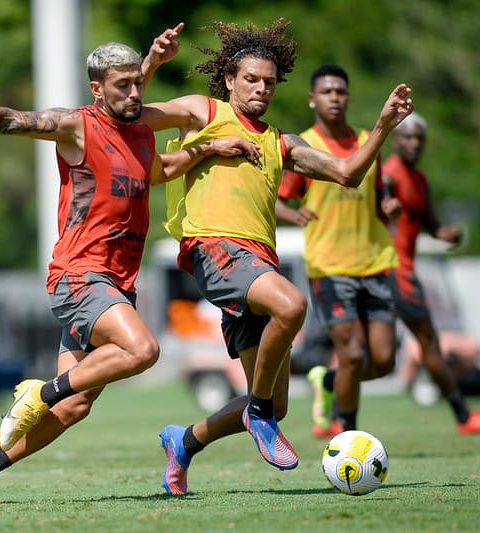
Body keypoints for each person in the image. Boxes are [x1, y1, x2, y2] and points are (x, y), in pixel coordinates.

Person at [0, 29, 261, 505]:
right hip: (80, 275)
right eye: (122, 85)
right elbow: (11, 120)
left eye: (137, 83)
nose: (134, 92)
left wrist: (208, 149)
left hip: (116, 282)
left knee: (75, 406)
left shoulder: (140, 136)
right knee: (143, 350)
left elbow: (162, 171)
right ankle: (38, 393)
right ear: (96, 89)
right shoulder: (78, 127)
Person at [139, 20, 414, 494]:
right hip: (214, 249)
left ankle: (183, 442)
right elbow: (131, 115)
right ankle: (260, 415)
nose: (262, 89)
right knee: (291, 305)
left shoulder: (279, 142)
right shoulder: (202, 112)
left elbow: (348, 173)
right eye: (251, 79)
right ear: (229, 79)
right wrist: (150, 64)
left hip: (256, 263)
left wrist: (385, 125)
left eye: (269, 82)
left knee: (273, 400)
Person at [275, 63, 404, 439]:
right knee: (352, 354)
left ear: (348, 97)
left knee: (383, 361)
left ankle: (328, 381)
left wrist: (388, 208)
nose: (334, 98)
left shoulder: (369, 141)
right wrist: (293, 212)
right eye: (326, 92)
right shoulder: (307, 147)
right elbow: (279, 200)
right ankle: (350, 436)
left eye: (340, 92)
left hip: (375, 261)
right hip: (330, 268)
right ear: (313, 99)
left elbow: (379, 197)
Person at [382, 112, 480, 434]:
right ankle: (464, 417)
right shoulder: (387, 176)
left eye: (419, 138)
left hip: (403, 270)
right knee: (427, 342)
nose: (413, 143)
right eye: (407, 136)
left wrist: (446, 233)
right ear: (395, 140)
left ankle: (327, 385)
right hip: (392, 270)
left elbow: (431, 225)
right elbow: (373, 213)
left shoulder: (419, 180)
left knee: (378, 357)